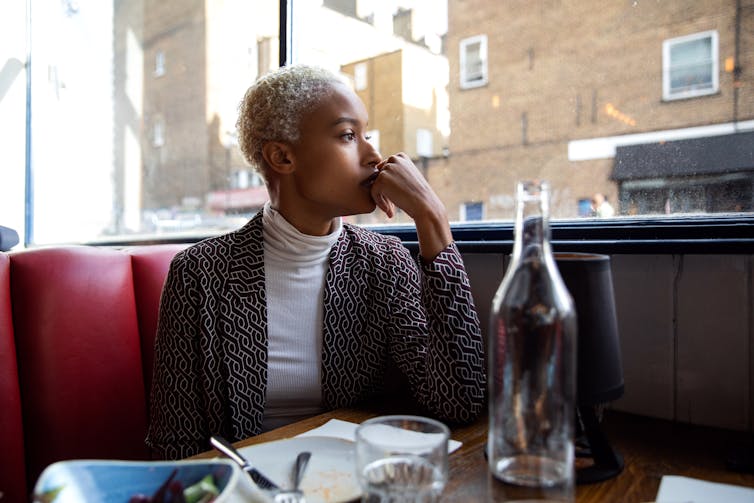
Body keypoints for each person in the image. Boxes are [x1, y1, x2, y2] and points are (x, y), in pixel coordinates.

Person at [146, 64, 486, 460]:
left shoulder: (385, 262)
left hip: (353, 480)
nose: (374, 155)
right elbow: (176, 444)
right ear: (282, 157)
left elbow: (459, 401)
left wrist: (432, 217)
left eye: (367, 134)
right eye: (347, 135)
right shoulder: (200, 275)